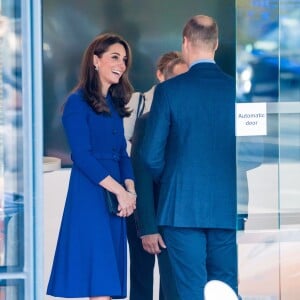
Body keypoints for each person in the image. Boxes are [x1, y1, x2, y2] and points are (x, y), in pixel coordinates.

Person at [140, 15, 238, 300]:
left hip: (181, 209)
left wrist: (172, 179)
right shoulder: (236, 91)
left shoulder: (169, 91)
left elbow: (150, 156)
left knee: (190, 291)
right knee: (225, 289)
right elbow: (251, 153)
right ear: (216, 44)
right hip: (225, 205)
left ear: (185, 42)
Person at [47, 33, 137, 300]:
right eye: (114, 57)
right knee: (100, 282)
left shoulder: (113, 103)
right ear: (95, 60)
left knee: (107, 282)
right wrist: (120, 192)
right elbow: (82, 157)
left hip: (115, 198)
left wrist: (130, 190)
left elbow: (122, 153)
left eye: (124, 59)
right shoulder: (77, 103)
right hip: (91, 195)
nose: (121, 64)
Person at [124, 53, 188, 300]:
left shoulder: (185, 113)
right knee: (141, 272)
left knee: (171, 278)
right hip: (143, 201)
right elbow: (133, 160)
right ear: (161, 76)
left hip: (171, 207)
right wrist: (146, 226)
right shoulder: (141, 110)